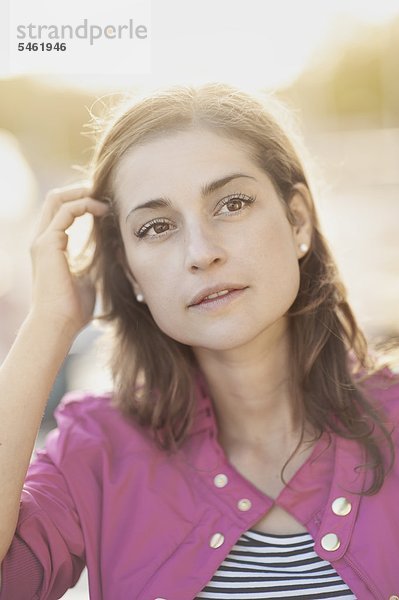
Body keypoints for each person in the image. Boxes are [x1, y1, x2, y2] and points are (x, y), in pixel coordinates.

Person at [0, 82, 398, 600]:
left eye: (232, 204)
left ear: (296, 218)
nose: (201, 251)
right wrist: (49, 324)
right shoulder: (96, 451)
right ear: (130, 272)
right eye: (157, 227)